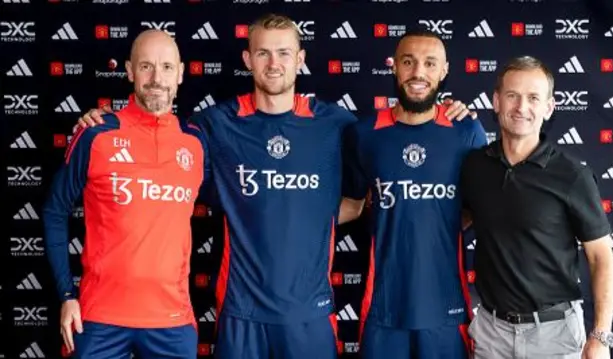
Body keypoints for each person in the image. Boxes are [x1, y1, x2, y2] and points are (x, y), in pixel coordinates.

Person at [74, 14, 473, 359]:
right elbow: (158, 137)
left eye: (284, 53)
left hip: (310, 315)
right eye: (263, 53)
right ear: (248, 59)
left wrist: (449, 111)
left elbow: (364, 195)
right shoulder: (215, 125)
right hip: (240, 314)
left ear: (300, 60)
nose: (273, 63)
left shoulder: (337, 126)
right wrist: (102, 122)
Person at [43, 30, 210, 359]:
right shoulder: (97, 132)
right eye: (146, 66)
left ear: (180, 73)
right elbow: (54, 210)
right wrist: (66, 294)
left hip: (172, 319)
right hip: (99, 317)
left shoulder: (196, 141)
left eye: (165, 67)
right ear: (130, 71)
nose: (156, 78)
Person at [338, 29, 486, 359]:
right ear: (394, 67)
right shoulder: (365, 133)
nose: (418, 73)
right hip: (383, 306)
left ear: (444, 71)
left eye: (429, 63)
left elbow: (484, 205)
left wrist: (441, 222)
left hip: (446, 308)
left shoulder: (466, 131)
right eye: (408, 62)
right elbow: (351, 204)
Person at [459, 55, 613, 359]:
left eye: (533, 98)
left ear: (548, 107)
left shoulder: (572, 175)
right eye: (512, 96)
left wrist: (600, 336)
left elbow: (601, 258)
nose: (521, 107)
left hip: (554, 336)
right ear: (496, 101)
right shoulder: (475, 167)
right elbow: (457, 218)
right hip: (491, 334)